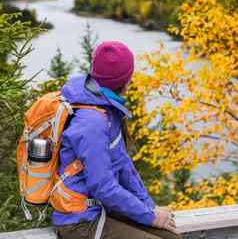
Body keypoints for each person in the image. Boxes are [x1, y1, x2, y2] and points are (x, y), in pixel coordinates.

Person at [54, 41, 178, 239]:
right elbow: (103, 187)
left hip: (102, 208)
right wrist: (150, 217)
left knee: (171, 235)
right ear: (126, 80)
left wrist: (150, 209)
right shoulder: (92, 123)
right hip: (80, 221)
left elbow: (124, 166)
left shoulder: (106, 108)